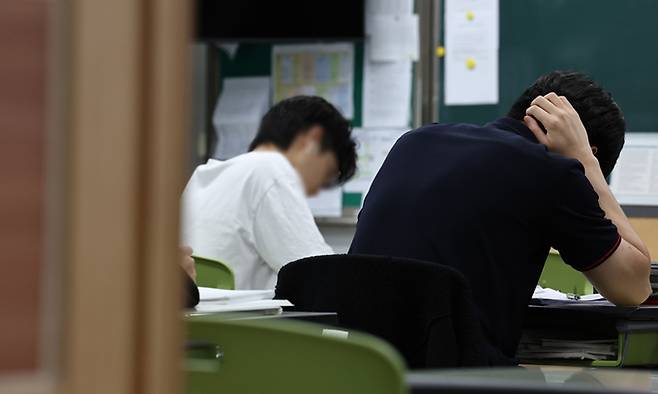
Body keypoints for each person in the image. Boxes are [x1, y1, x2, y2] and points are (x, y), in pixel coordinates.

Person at [349, 71, 651, 363]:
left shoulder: (413, 142)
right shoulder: (550, 172)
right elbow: (634, 288)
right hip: (457, 377)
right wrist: (586, 163)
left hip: (367, 369)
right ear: (589, 147)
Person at [182, 96, 357, 289]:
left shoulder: (204, 176)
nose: (316, 190)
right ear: (312, 140)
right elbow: (322, 275)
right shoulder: (269, 168)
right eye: (327, 174)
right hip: (241, 318)